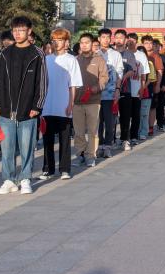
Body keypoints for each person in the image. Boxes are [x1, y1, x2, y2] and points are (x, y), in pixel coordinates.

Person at [0, 16, 47, 196]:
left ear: (29, 31)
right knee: (7, 149)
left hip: (28, 110)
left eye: (21, 30)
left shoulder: (37, 54)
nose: (17, 33)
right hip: (6, 110)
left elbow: (42, 82)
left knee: (26, 148)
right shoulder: (5, 53)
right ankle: (8, 180)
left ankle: (25, 179)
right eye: (15, 30)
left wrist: (37, 106)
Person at [41, 28, 82, 180]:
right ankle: (48, 169)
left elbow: (73, 84)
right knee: (47, 139)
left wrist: (71, 103)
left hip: (63, 105)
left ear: (66, 42)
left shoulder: (71, 60)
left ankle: (65, 169)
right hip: (47, 106)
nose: (56, 43)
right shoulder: (46, 59)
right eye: (54, 40)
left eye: (60, 40)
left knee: (64, 139)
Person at [73, 33, 107, 167]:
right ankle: (80, 154)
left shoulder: (99, 59)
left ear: (92, 44)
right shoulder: (75, 59)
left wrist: (97, 87)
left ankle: (90, 156)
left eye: (87, 42)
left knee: (93, 131)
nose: (84, 45)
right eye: (82, 43)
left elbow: (104, 77)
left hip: (93, 101)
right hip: (77, 101)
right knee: (78, 131)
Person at [96, 29, 123, 157]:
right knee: (97, 122)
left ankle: (107, 146)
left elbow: (119, 74)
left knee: (109, 121)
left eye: (108, 37)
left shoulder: (116, 55)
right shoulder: (95, 54)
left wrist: (117, 89)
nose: (106, 39)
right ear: (99, 39)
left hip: (110, 94)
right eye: (103, 37)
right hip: (96, 94)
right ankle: (99, 145)